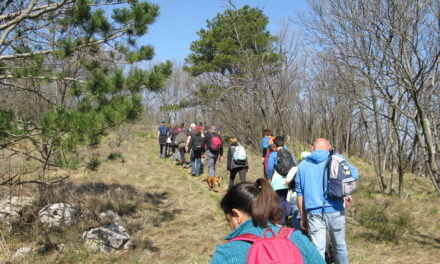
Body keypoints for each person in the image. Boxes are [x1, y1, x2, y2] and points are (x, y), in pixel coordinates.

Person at [211, 178, 325, 264]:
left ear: (236, 215)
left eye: (228, 220)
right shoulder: (297, 238)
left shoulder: (227, 252)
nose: (229, 226)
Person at [295, 138, 359, 264]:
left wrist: (303, 216)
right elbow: (354, 174)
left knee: (318, 248)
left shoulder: (302, 165)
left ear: (312, 149)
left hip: (313, 212)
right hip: (335, 209)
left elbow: (299, 193)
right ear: (329, 147)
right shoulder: (336, 158)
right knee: (339, 246)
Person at [266, 136, 297, 225]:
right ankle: (288, 215)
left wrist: (269, 177)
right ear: (283, 144)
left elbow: (270, 168)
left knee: (279, 200)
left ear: (274, 145)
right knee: (286, 199)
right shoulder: (289, 153)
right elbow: (294, 165)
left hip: (277, 182)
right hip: (288, 180)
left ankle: (281, 221)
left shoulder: (273, 154)